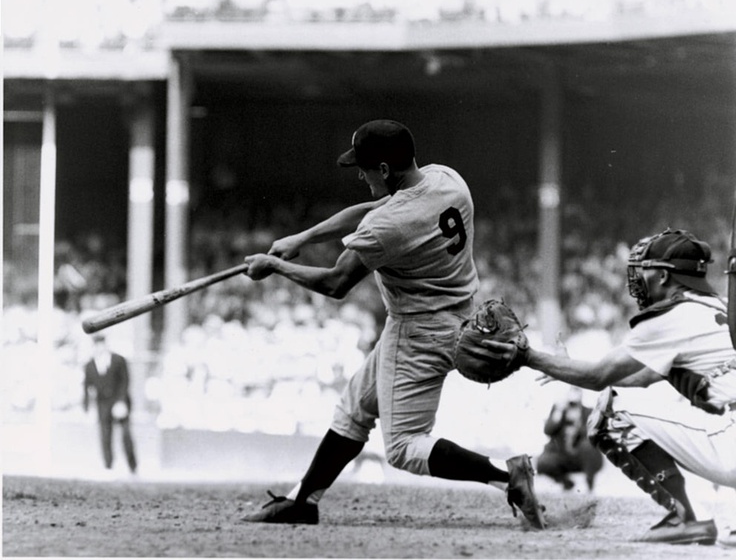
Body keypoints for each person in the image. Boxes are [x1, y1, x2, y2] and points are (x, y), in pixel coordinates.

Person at [241, 119, 546, 528]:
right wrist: (301, 239)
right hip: (458, 315)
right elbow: (371, 211)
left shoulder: (391, 225)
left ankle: (507, 475)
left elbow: (335, 282)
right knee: (355, 408)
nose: (361, 176)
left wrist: (275, 266)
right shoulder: (446, 179)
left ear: (384, 169)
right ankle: (304, 500)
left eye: (364, 168)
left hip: (416, 329)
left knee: (403, 446)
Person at [483, 228, 736, 546]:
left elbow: (599, 376)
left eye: (644, 270)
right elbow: (642, 377)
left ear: (662, 275)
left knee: (609, 410)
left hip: (732, 446)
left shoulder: (672, 316)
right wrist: (565, 370)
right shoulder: (723, 307)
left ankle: (687, 517)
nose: (639, 278)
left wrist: (528, 356)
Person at [83, 333, 137, 475]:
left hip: (119, 401)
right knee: (105, 435)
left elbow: (125, 381)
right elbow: (87, 388)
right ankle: (108, 466)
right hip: (102, 404)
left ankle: (133, 467)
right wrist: (87, 408)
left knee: (126, 435)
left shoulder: (118, 360)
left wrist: (121, 402)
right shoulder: (89, 365)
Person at [536, 386, 603, 492]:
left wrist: (578, 426)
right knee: (543, 462)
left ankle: (590, 486)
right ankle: (566, 483)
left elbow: (594, 433)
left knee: (588, 446)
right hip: (562, 455)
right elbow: (548, 431)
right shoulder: (558, 410)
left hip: (580, 456)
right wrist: (558, 414)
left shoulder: (588, 412)